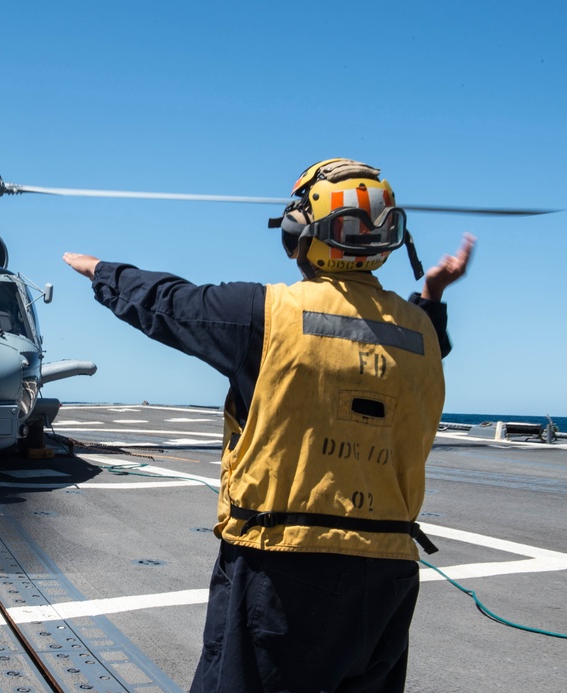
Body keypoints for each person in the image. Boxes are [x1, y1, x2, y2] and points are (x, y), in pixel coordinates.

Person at [63, 158, 474, 693]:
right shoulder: (419, 331)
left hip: (282, 569)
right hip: (388, 574)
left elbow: (169, 303)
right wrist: (433, 294)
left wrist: (101, 270)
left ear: (300, 233)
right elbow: (426, 343)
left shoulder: (267, 315)